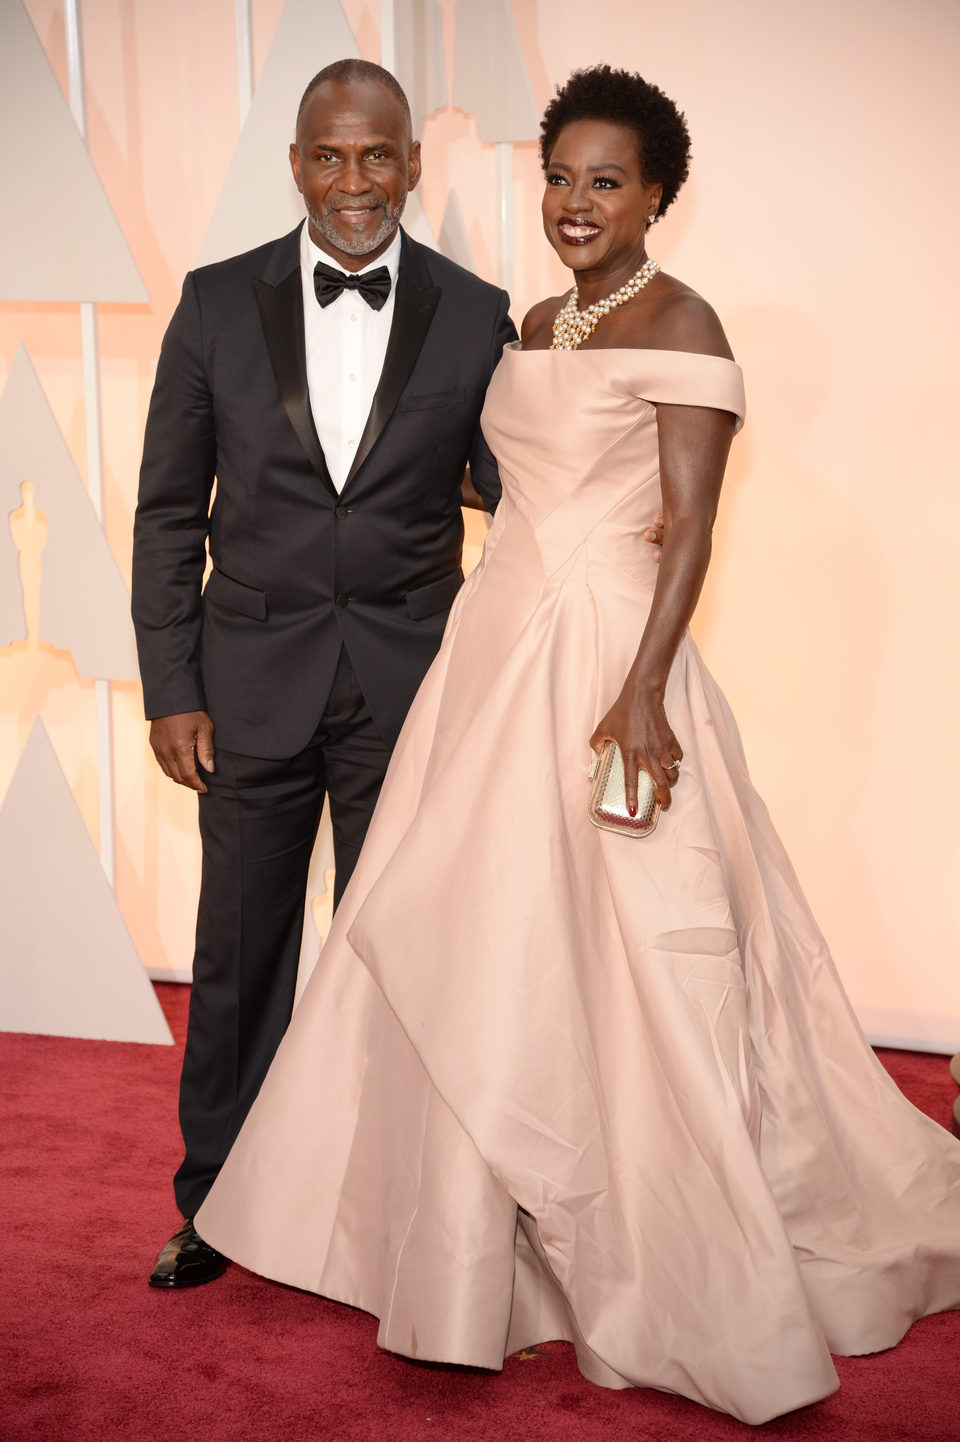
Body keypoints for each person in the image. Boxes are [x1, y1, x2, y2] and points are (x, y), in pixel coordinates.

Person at [192, 66, 960, 1424]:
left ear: (659, 193)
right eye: (559, 177)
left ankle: (656, 1233)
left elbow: (687, 527)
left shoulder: (684, 320)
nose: (576, 203)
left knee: (629, 955)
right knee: (482, 935)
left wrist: (646, 690)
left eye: (607, 181)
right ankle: (469, 1242)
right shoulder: (534, 322)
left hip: (608, 656)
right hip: (492, 654)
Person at [131, 59, 522, 1287]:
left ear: (413, 162)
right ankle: (218, 1203)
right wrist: (170, 683)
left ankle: (398, 1204)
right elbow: (163, 516)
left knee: (401, 954)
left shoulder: (477, 311)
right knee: (242, 953)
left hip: (411, 687)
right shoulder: (209, 304)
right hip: (244, 683)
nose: (355, 180)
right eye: (329, 155)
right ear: (296, 163)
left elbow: (520, 488)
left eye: (378, 155)